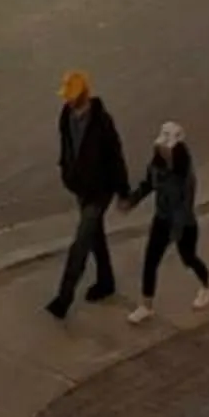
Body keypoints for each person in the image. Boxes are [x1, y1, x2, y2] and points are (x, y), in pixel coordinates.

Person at [46, 69, 129, 318]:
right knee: (95, 236)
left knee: (81, 243)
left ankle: (63, 299)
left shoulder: (102, 123)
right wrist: (66, 171)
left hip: (99, 191)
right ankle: (106, 281)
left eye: (71, 97)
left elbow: (116, 157)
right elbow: (67, 146)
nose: (67, 101)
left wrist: (123, 192)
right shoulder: (66, 116)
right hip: (80, 187)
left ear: (83, 95)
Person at [125, 120, 209, 323]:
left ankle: (207, 285)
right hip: (161, 218)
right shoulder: (156, 165)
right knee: (150, 261)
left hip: (183, 224)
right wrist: (132, 199)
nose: (163, 151)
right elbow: (148, 184)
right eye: (161, 147)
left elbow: (185, 206)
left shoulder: (186, 176)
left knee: (188, 258)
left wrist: (176, 233)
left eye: (167, 148)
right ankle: (146, 305)